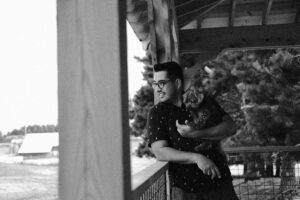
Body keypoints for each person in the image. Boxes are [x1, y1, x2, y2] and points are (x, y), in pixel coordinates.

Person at [147, 61, 239, 200]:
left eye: (162, 83)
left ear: (177, 83)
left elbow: (230, 127)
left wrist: (196, 133)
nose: (157, 89)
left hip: (221, 183)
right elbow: (160, 152)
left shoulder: (202, 101)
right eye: (155, 84)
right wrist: (197, 158)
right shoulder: (157, 112)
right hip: (186, 191)